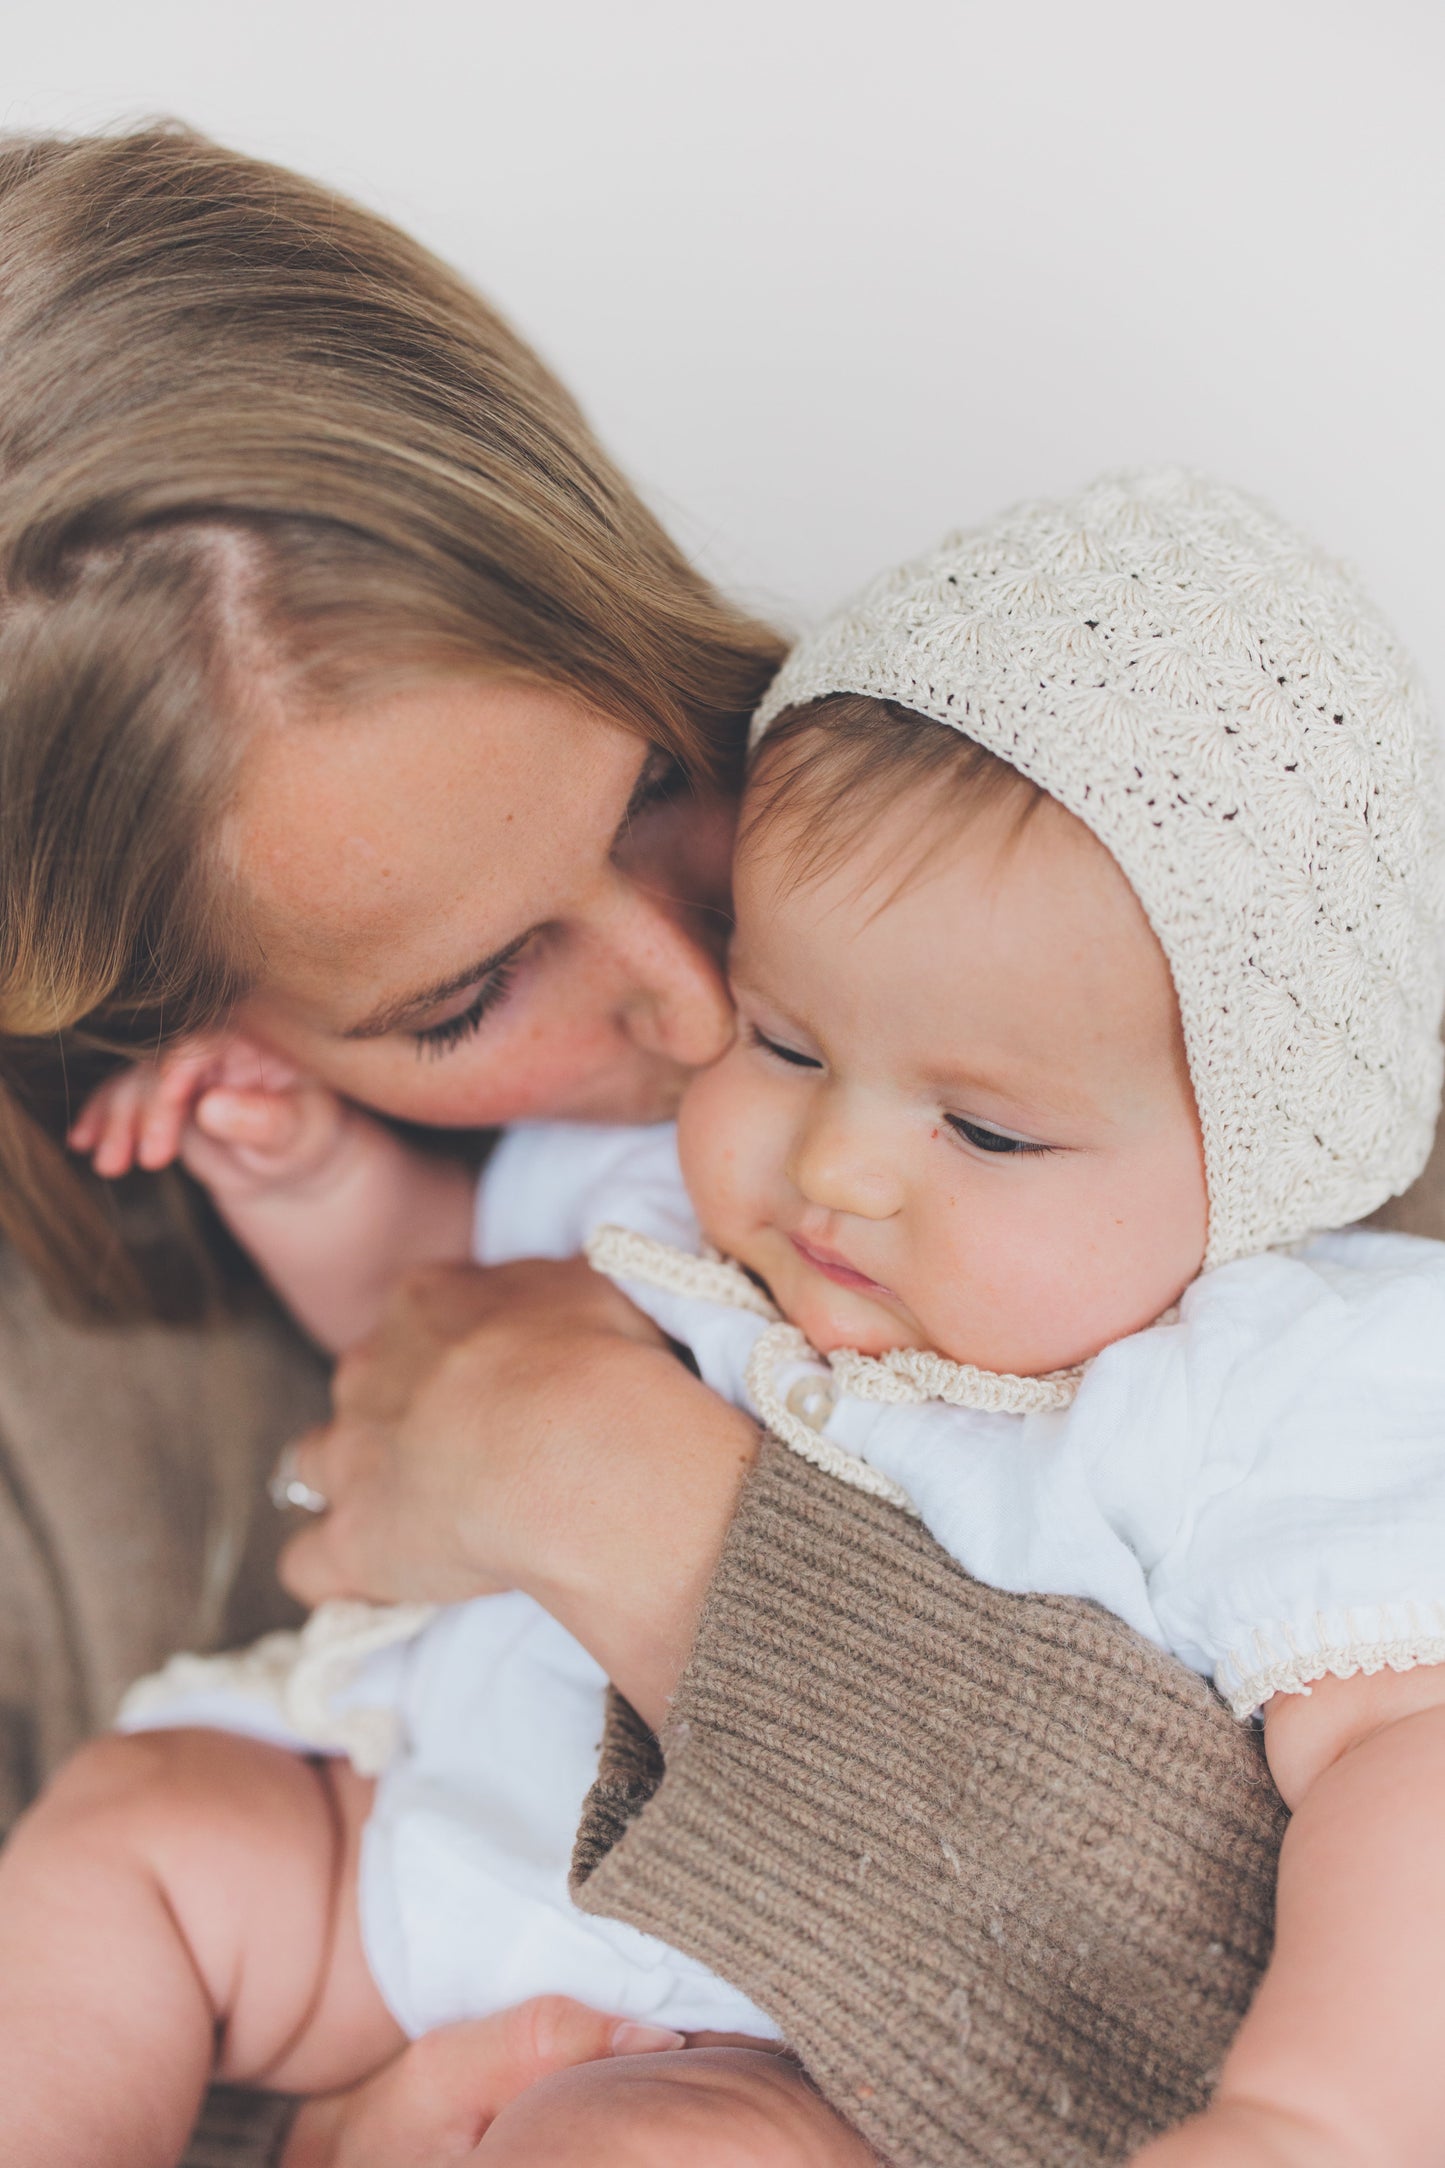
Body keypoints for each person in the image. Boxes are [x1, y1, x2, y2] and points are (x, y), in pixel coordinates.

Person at [0, 124, 1401, 2167]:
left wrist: (637, 1509)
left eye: (664, 769)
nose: (695, 1013)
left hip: (732, 2038)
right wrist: (311, 1184)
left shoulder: (1097, 959)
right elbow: (418, 1341)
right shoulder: (727, 1150)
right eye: (465, 994)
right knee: (122, 1840)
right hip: (424, 1857)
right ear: (174, 1015)